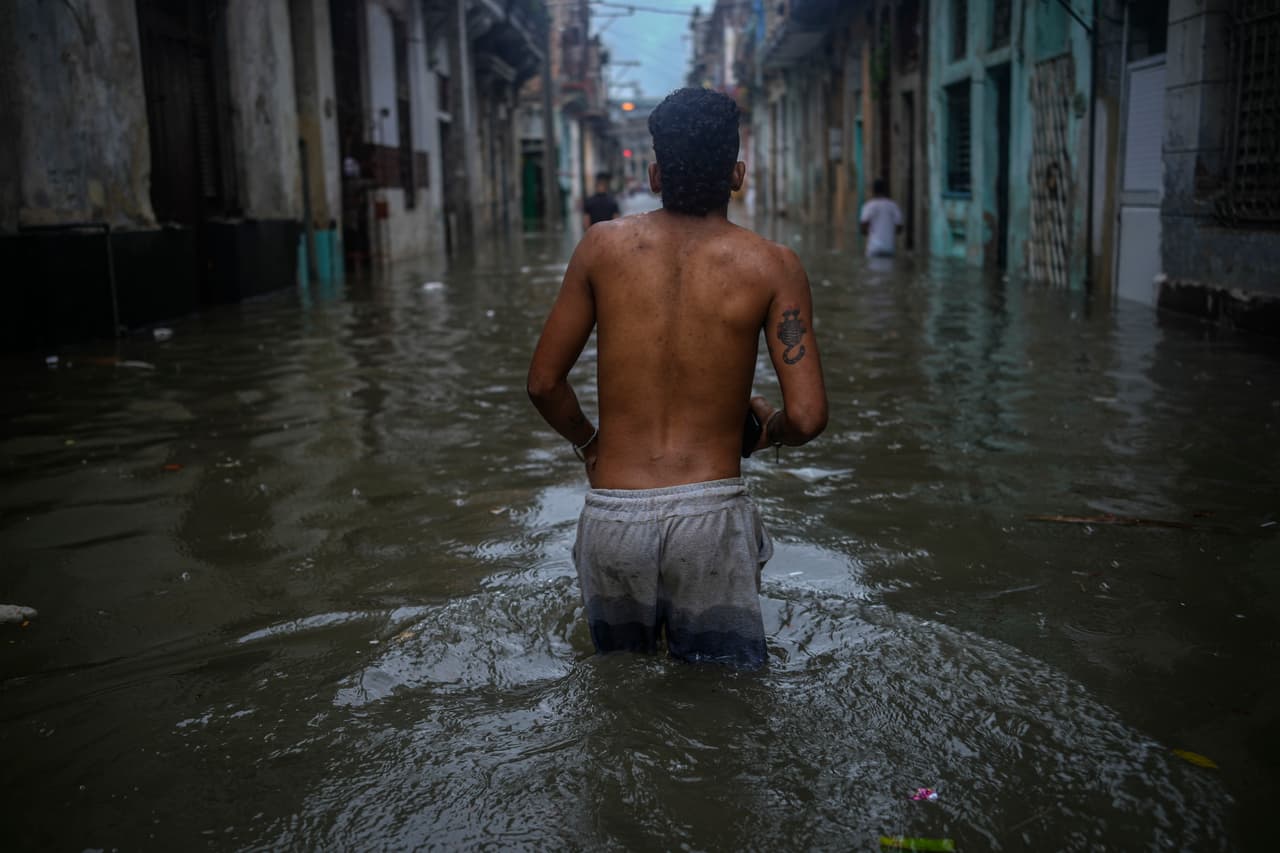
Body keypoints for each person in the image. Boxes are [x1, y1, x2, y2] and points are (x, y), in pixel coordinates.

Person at [527, 88, 828, 669]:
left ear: (655, 173)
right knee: (724, 714)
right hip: (710, 521)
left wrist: (591, 446)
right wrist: (769, 429)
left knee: (618, 701)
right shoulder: (773, 265)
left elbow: (544, 383)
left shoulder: (601, 248)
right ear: (737, 174)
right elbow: (809, 417)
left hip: (612, 516)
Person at [859, 178, 904, 258]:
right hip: (889, 248)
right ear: (886, 190)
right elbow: (899, 228)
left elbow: (863, 228)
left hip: (873, 248)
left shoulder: (869, 206)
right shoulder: (893, 206)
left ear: (873, 191)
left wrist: (870, 231)